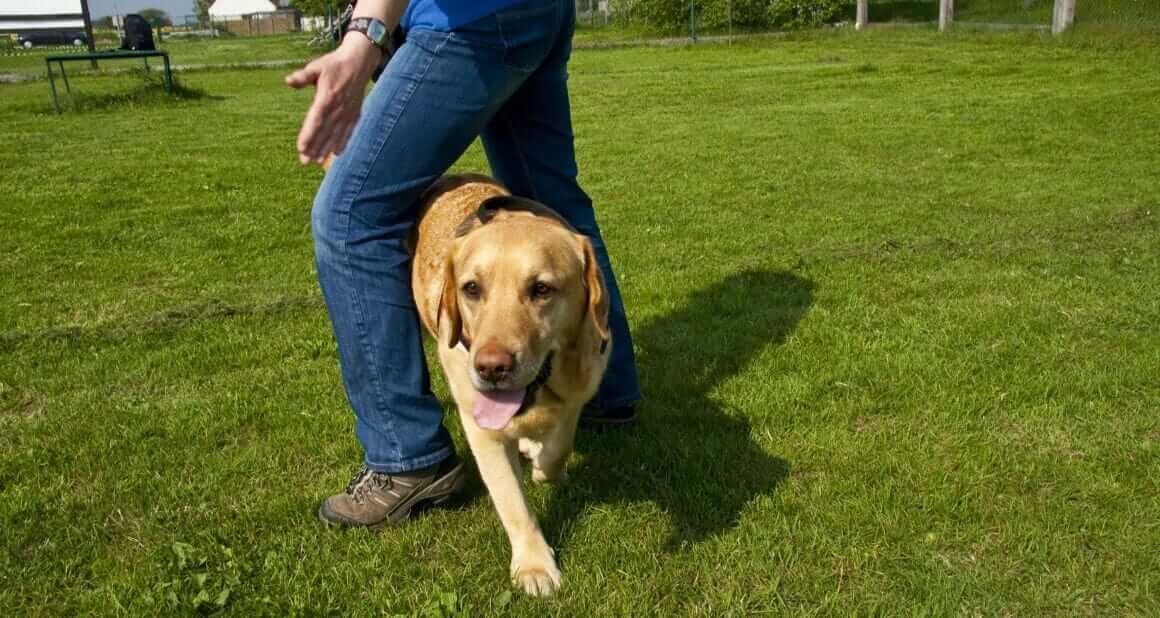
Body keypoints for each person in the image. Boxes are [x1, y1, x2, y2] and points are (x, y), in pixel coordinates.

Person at [286, 0, 641, 528]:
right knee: (554, 217)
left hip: (468, 19)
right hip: (540, 10)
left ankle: (405, 457)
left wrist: (362, 39)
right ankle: (602, 389)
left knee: (348, 214)